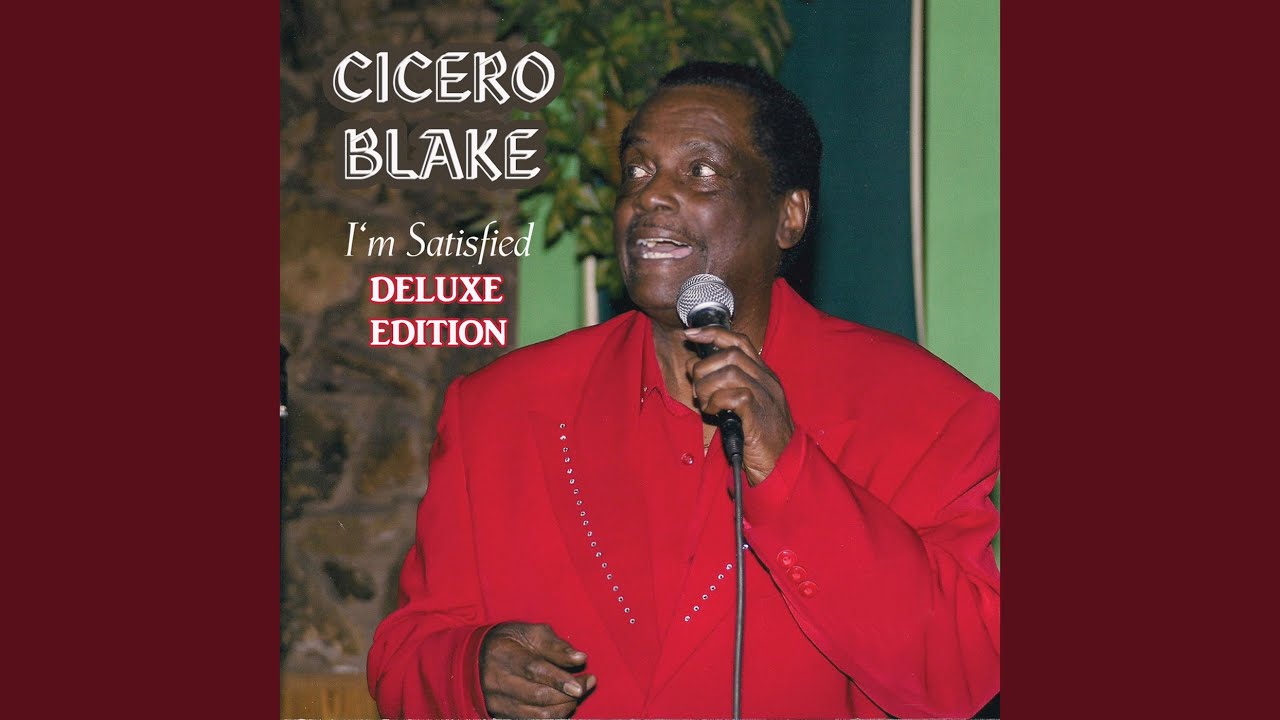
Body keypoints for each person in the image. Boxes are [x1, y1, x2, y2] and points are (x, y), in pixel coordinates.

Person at [367, 61, 1000, 719]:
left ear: (789, 216)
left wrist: (790, 472)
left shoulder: (925, 410)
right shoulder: (499, 409)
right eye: (637, 171)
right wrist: (471, 671)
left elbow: (959, 670)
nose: (650, 197)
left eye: (701, 172)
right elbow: (403, 659)